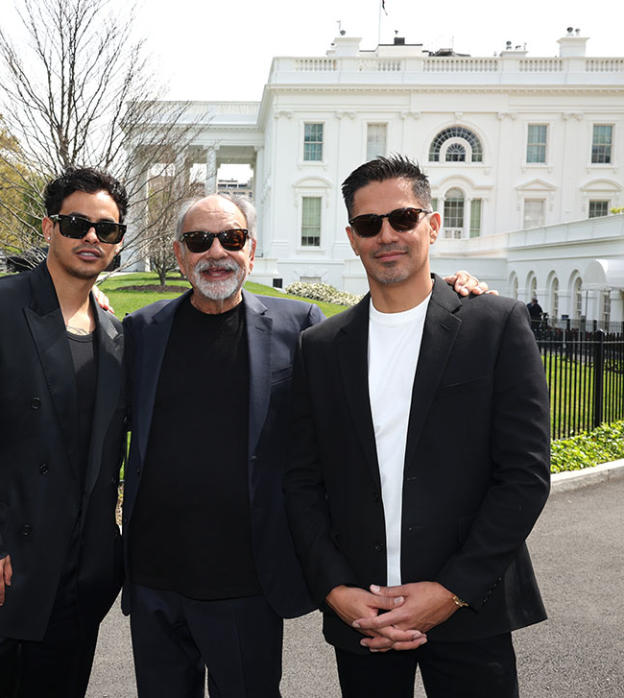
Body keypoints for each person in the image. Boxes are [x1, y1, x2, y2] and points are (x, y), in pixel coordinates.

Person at [121, 193, 487, 697]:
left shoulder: (301, 327)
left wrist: (446, 290)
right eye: (198, 241)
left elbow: (378, 340)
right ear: (180, 254)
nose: (215, 252)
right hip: (153, 578)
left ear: (251, 249)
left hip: (245, 582)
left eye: (230, 238)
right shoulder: (142, 330)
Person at [284, 155, 550, 697]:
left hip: (471, 608)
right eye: (368, 224)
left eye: (403, 218)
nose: (387, 234)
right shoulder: (322, 347)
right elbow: (302, 482)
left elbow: (524, 475)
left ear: (431, 224)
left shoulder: (494, 325)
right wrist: (336, 588)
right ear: (353, 238)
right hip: (365, 613)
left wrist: (450, 591)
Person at [0, 167, 127, 697]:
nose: (90, 238)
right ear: (48, 227)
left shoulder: (113, 334)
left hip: (78, 581)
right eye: (77, 223)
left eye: (106, 229)